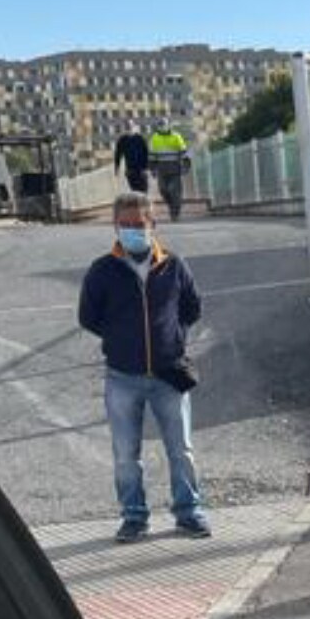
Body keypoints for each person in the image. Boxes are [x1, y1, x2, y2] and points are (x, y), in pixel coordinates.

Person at [77, 191, 210, 543]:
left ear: (153, 225)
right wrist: (123, 341)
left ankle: (189, 512)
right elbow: (89, 317)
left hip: (168, 375)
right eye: (126, 225)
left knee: (180, 449)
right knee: (125, 455)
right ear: (115, 227)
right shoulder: (102, 270)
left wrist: (172, 340)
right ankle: (134, 517)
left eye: (140, 224)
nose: (133, 230)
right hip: (122, 378)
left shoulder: (174, 265)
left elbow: (192, 308)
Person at [148, 120, 189, 222]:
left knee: (174, 191)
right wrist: (152, 169)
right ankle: (171, 206)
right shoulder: (154, 138)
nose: (162, 127)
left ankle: (175, 213)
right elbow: (152, 155)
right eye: (160, 125)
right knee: (163, 190)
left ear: (168, 126)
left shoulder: (176, 136)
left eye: (164, 125)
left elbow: (183, 152)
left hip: (175, 169)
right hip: (161, 170)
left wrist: (186, 166)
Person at [114, 125, 151, 193]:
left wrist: (146, 168)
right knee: (135, 191)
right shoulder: (122, 140)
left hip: (141, 169)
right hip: (131, 170)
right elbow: (118, 155)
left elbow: (146, 153)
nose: (129, 130)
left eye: (130, 127)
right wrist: (117, 168)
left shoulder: (140, 138)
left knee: (143, 190)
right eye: (127, 128)